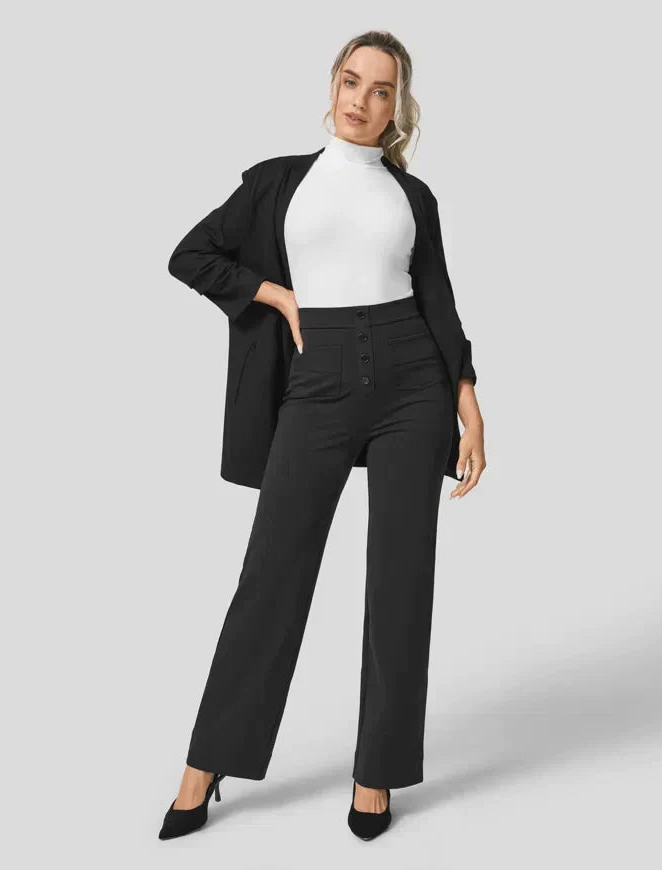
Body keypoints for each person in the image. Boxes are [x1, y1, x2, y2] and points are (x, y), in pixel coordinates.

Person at [158, 30, 486, 842]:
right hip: (318, 381)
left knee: (401, 581)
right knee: (271, 575)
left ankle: (377, 773)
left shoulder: (413, 198)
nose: (362, 100)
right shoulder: (281, 182)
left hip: (413, 380)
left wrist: (468, 399)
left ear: (397, 107)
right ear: (332, 85)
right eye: (351, 80)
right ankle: (207, 762)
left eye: (382, 90)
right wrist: (275, 294)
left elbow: (437, 299)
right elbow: (191, 255)